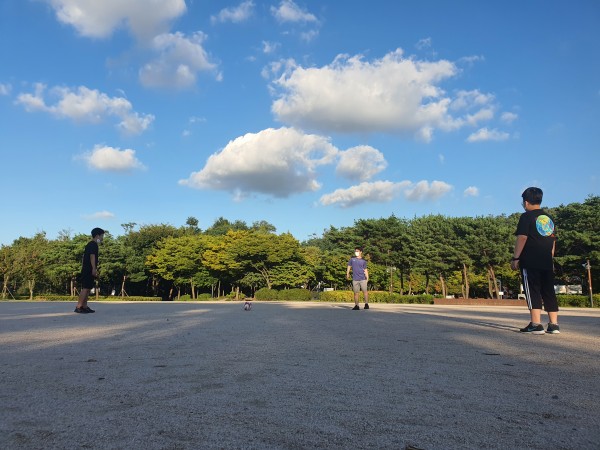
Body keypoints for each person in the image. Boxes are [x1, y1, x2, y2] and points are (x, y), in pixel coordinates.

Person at [511, 187, 559, 334]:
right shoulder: (548, 218)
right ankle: (553, 325)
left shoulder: (526, 217)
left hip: (530, 260)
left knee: (532, 290)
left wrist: (516, 258)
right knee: (548, 291)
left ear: (526, 202)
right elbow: (553, 241)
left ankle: (536, 324)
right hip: (546, 260)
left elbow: (522, 237)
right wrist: (549, 257)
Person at [75, 227, 105, 314]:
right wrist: (94, 269)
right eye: (102, 236)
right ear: (97, 235)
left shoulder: (92, 244)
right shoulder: (93, 244)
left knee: (88, 288)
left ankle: (84, 306)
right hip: (88, 269)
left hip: (88, 268)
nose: (102, 238)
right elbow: (92, 256)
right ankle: (78, 306)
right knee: (85, 288)